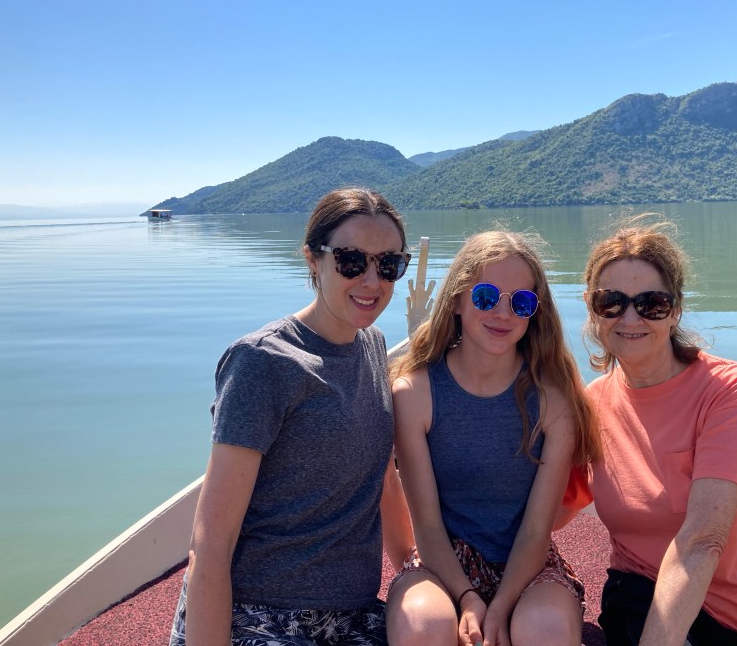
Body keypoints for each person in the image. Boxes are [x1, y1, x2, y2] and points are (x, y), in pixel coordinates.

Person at [559, 215, 737, 646]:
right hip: (639, 595)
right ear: (591, 306)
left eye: (651, 303)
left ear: (675, 309)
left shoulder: (732, 391)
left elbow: (703, 541)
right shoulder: (593, 403)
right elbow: (553, 507)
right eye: (612, 302)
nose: (630, 317)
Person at [169, 187, 415, 646]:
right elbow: (211, 542)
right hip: (258, 617)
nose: (372, 280)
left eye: (388, 264)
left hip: (352, 617)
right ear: (313, 259)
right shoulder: (264, 362)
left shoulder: (374, 346)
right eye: (351, 261)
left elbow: (383, 481)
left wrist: (416, 574)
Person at [387, 230, 599, 646]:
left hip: (529, 564)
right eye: (486, 297)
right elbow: (427, 527)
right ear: (458, 301)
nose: (503, 313)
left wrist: (501, 604)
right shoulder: (415, 394)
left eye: (520, 302)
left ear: (534, 312)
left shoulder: (553, 401)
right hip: (441, 561)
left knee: (545, 631)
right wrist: (467, 598)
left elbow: (537, 529)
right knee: (423, 627)